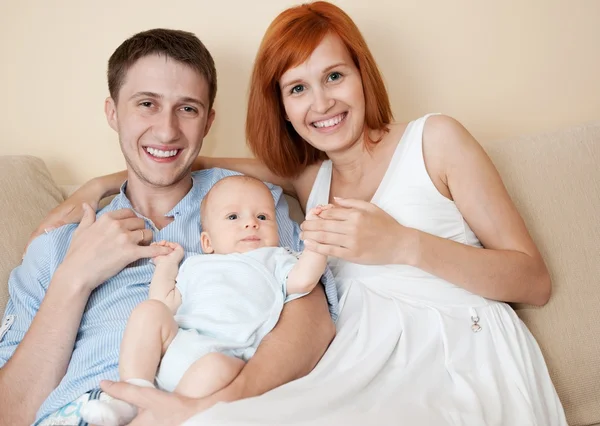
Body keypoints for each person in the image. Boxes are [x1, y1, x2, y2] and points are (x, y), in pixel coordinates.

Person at [31, 1, 568, 425]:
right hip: (361, 360)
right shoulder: (312, 179)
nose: (322, 104)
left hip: (453, 351)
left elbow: (534, 281)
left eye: (334, 76)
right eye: (298, 89)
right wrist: (104, 181)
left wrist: (405, 244)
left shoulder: (436, 140)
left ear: (363, 74)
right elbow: (186, 153)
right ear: (283, 107)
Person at [0, 28, 338, 426]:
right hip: (83, 411)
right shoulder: (56, 245)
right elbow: (11, 412)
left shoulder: (249, 206)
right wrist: (74, 279)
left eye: (188, 109)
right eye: (147, 104)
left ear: (208, 121)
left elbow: (312, 320)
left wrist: (220, 401)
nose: (167, 130)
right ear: (112, 112)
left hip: (209, 404)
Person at [81, 176, 331, 426]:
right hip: (178, 345)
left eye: (263, 217)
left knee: (215, 367)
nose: (251, 224)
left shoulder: (277, 259)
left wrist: (318, 244)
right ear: (207, 242)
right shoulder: (195, 265)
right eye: (233, 217)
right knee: (149, 311)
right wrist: (166, 266)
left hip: (227, 356)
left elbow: (304, 280)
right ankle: (132, 394)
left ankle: (159, 417)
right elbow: (164, 303)